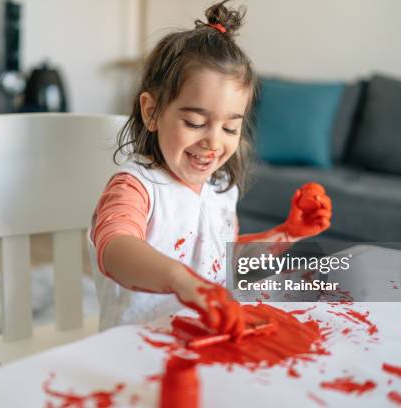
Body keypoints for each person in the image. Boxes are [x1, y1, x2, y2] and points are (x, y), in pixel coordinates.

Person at [88, 0, 332, 335]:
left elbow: (222, 263)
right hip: (139, 343)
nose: (214, 142)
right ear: (152, 112)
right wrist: (180, 280)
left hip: (209, 335)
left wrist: (287, 233)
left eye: (230, 128)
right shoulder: (135, 187)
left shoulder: (220, 188)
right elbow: (115, 249)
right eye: (194, 122)